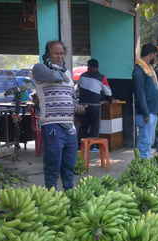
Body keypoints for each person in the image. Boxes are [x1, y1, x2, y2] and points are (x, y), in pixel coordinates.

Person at [32, 40, 86, 191]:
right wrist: (62, 77)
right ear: (48, 54)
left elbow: (72, 98)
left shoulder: (67, 72)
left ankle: (69, 193)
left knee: (69, 164)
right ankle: (52, 196)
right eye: (56, 53)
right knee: (53, 164)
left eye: (62, 53)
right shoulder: (40, 69)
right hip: (52, 125)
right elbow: (49, 75)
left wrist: (77, 107)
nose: (60, 56)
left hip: (69, 126)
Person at [77, 58, 117, 152]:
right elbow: (107, 91)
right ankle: (93, 147)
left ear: (88, 66)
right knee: (95, 126)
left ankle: (80, 147)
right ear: (98, 67)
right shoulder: (101, 77)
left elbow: (79, 88)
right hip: (95, 105)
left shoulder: (82, 76)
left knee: (83, 126)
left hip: (83, 105)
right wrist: (111, 100)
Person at [133, 43, 158, 159]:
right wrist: (145, 113)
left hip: (151, 112)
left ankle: (144, 165)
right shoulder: (139, 71)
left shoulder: (147, 69)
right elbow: (139, 94)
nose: (155, 58)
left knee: (149, 141)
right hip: (147, 113)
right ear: (151, 54)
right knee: (145, 142)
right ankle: (140, 168)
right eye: (155, 55)